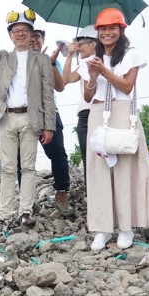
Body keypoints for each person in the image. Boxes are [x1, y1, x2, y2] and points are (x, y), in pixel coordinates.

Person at [0, 0, 56, 234]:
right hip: (6, 117)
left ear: (32, 34)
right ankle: (3, 215)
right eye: (15, 30)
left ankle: (25, 212)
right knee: (8, 169)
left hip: (31, 118)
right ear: (10, 34)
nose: (20, 33)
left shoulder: (41, 60)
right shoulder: (3, 58)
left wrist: (49, 125)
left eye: (25, 30)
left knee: (28, 168)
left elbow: (48, 94)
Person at [83, 8, 149, 251]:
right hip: (97, 113)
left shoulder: (131, 54)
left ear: (121, 29)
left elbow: (127, 86)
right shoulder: (91, 57)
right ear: (97, 32)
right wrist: (93, 76)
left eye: (112, 28)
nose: (107, 32)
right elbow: (87, 95)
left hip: (122, 112)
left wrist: (104, 71)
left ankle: (126, 227)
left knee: (125, 169)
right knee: (98, 171)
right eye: (102, 29)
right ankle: (103, 228)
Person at [30, 18, 72, 216]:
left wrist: (52, 62)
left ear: (43, 38)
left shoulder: (51, 59)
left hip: (49, 113)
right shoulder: (16, 61)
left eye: (37, 36)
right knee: (24, 161)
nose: (33, 40)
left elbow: (61, 86)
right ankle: (27, 201)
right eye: (30, 36)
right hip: (25, 115)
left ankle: (62, 192)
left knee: (58, 154)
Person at [57, 26, 99, 183]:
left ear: (93, 44)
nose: (79, 48)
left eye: (81, 44)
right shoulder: (84, 63)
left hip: (94, 111)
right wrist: (69, 55)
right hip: (85, 113)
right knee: (90, 158)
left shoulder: (96, 61)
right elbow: (65, 79)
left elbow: (65, 80)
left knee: (92, 158)